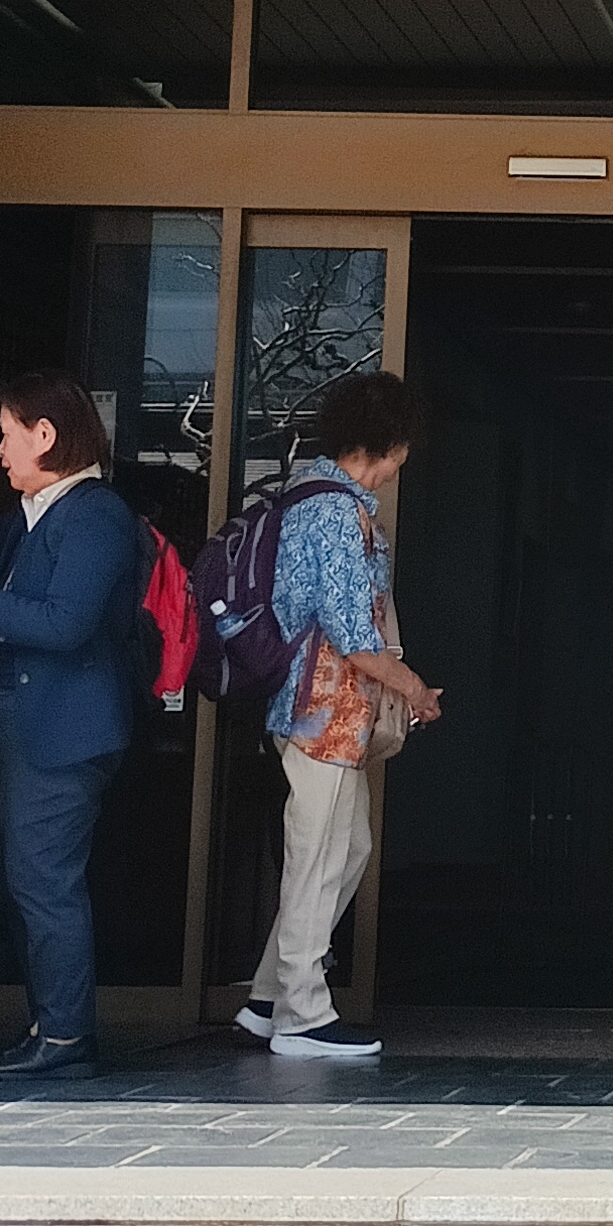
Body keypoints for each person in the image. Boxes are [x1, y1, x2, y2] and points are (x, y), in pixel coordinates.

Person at [230, 369, 441, 1065]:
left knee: (344, 851)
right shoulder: (336, 514)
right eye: (401, 449)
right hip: (321, 712)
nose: (401, 463)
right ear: (385, 443)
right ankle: (302, 1013)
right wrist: (414, 688)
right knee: (316, 857)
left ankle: (269, 997)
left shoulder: (314, 498)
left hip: (324, 715)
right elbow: (356, 638)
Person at [0, 370, 147, 1083]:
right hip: (38, 733)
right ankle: (51, 1028)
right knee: (31, 881)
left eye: (7, 435)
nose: (0, 451)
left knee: (44, 884)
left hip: (64, 736)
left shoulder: (93, 515)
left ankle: (63, 1037)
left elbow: (67, 623)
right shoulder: (38, 512)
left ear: (45, 434)